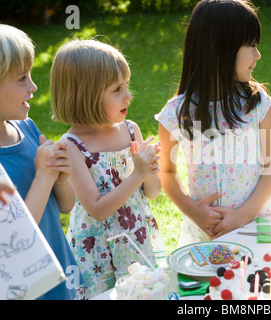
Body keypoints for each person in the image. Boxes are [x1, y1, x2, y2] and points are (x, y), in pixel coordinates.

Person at [156, 0, 271, 246]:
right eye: (251, 45)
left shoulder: (258, 104)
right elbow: (167, 172)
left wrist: (241, 216)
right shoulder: (175, 113)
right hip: (206, 232)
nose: (258, 54)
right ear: (219, 48)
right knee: (209, 284)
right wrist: (192, 210)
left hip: (258, 225)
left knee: (259, 281)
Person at [50, 39, 166, 299]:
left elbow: (153, 192)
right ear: (86, 95)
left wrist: (150, 169)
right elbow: (98, 209)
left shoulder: (130, 130)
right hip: (96, 250)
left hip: (136, 238)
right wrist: (138, 173)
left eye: (126, 86)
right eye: (117, 89)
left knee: (143, 292)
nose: (129, 96)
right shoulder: (71, 146)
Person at [0, 24, 80, 299]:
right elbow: (15, 240)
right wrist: (44, 177)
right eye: (22, 78)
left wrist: (61, 179)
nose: (33, 86)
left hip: (60, 275)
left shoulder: (28, 128)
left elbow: (66, 206)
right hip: (26, 290)